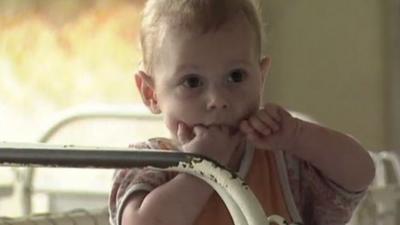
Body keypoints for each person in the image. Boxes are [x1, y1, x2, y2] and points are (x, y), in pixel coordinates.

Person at [108, 0, 375, 224]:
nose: (217, 100)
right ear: (150, 93)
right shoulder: (148, 164)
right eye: (192, 82)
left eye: (235, 76)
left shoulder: (282, 163)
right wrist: (202, 168)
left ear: (261, 77)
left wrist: (298, 135)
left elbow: (360, 173)